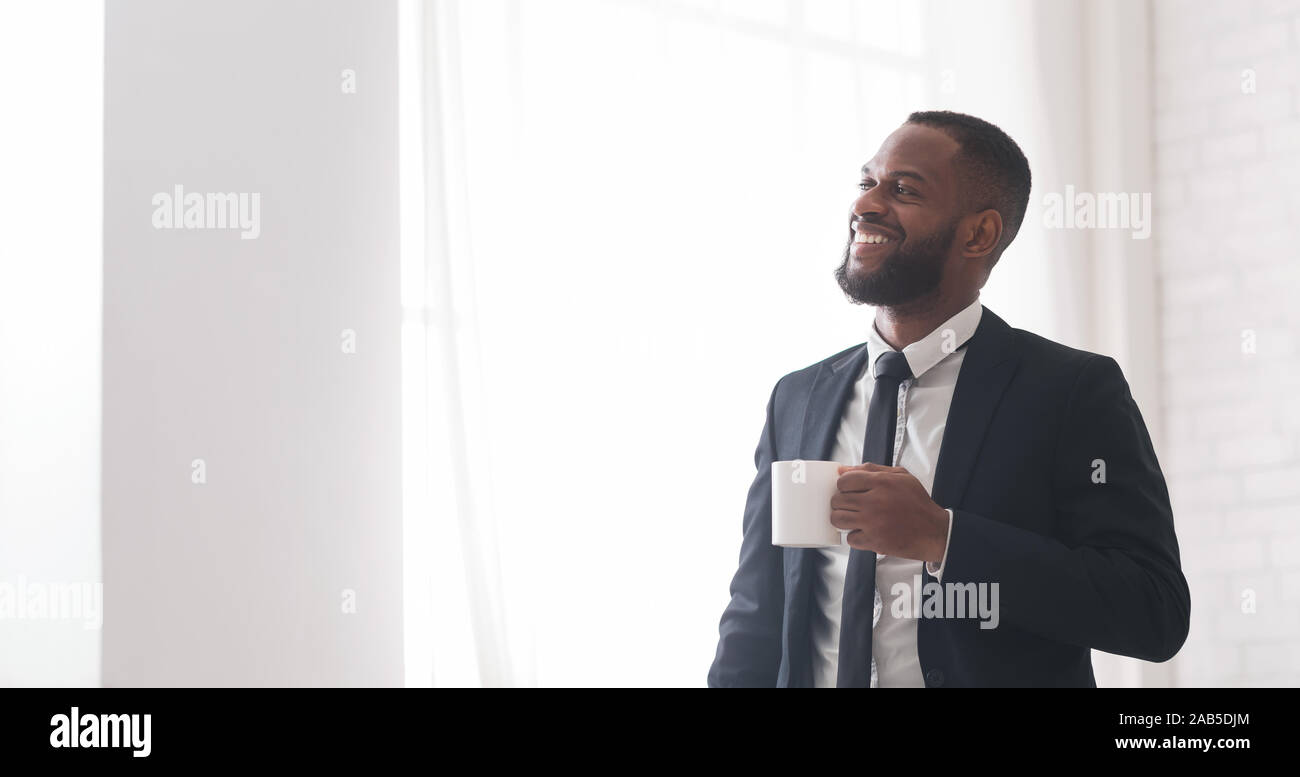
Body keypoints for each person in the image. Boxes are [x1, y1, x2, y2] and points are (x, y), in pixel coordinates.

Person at [707, 110, 1190, 688]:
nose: (866, 204)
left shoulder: (1071, 392)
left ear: (979, 234)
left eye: (904, 189)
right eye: (867, 183)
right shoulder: (798, 397)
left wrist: (943, 536)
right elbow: (757, 615)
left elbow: (1152, 611)